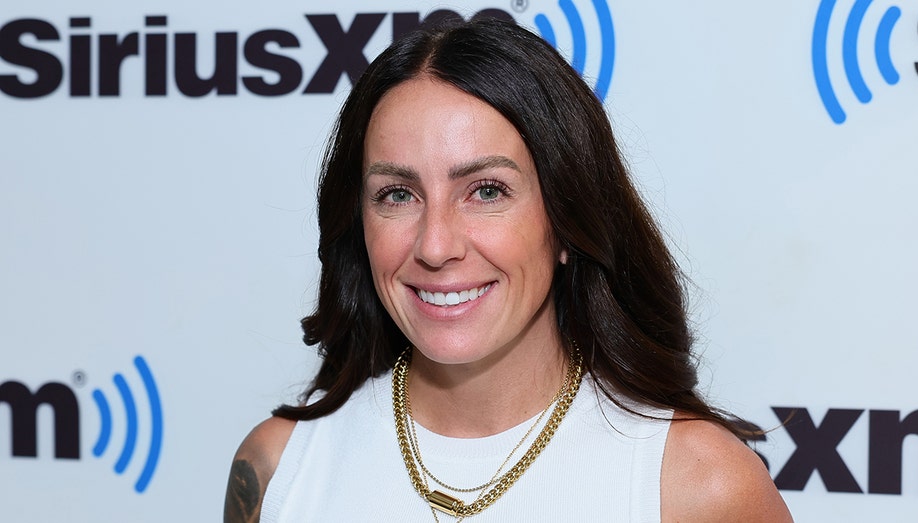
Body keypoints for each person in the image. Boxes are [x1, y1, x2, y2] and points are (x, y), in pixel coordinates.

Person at [224, 18, 792, 523]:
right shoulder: (278, 469)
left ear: (567, 220)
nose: (435, 244)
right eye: (397, 194)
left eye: (487, 190)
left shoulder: (697, 487)